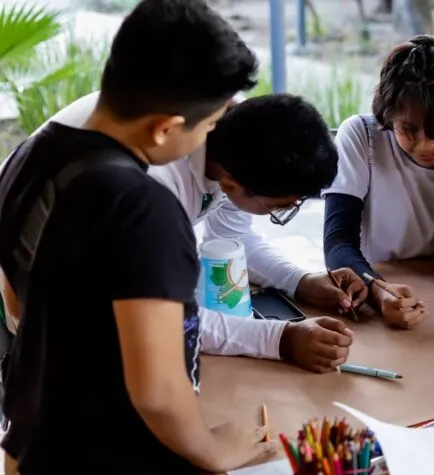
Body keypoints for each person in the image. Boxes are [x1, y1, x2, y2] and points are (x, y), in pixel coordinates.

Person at [0, 0, 277, 475]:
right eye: (209, 124)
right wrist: (214, 445)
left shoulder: (31, 156)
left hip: (34, 461)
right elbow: (155, 390)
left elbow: (17, 305)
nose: (213, 136)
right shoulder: (143, 208)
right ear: (166, 128)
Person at [0, 90, 365, 374]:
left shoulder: (236, 133)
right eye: (280, 207)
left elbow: (233, 241)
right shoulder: (148, 190)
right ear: (233, 183)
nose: (284, 213)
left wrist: (301, 280)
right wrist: (281, 339)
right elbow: (164, 316)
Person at [322, 34, 434, 330]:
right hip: (373, 291)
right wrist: (379, 291)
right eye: (408, 129)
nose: (424, 146)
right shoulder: (363, 138)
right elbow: (337, 244)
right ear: (389, 114)